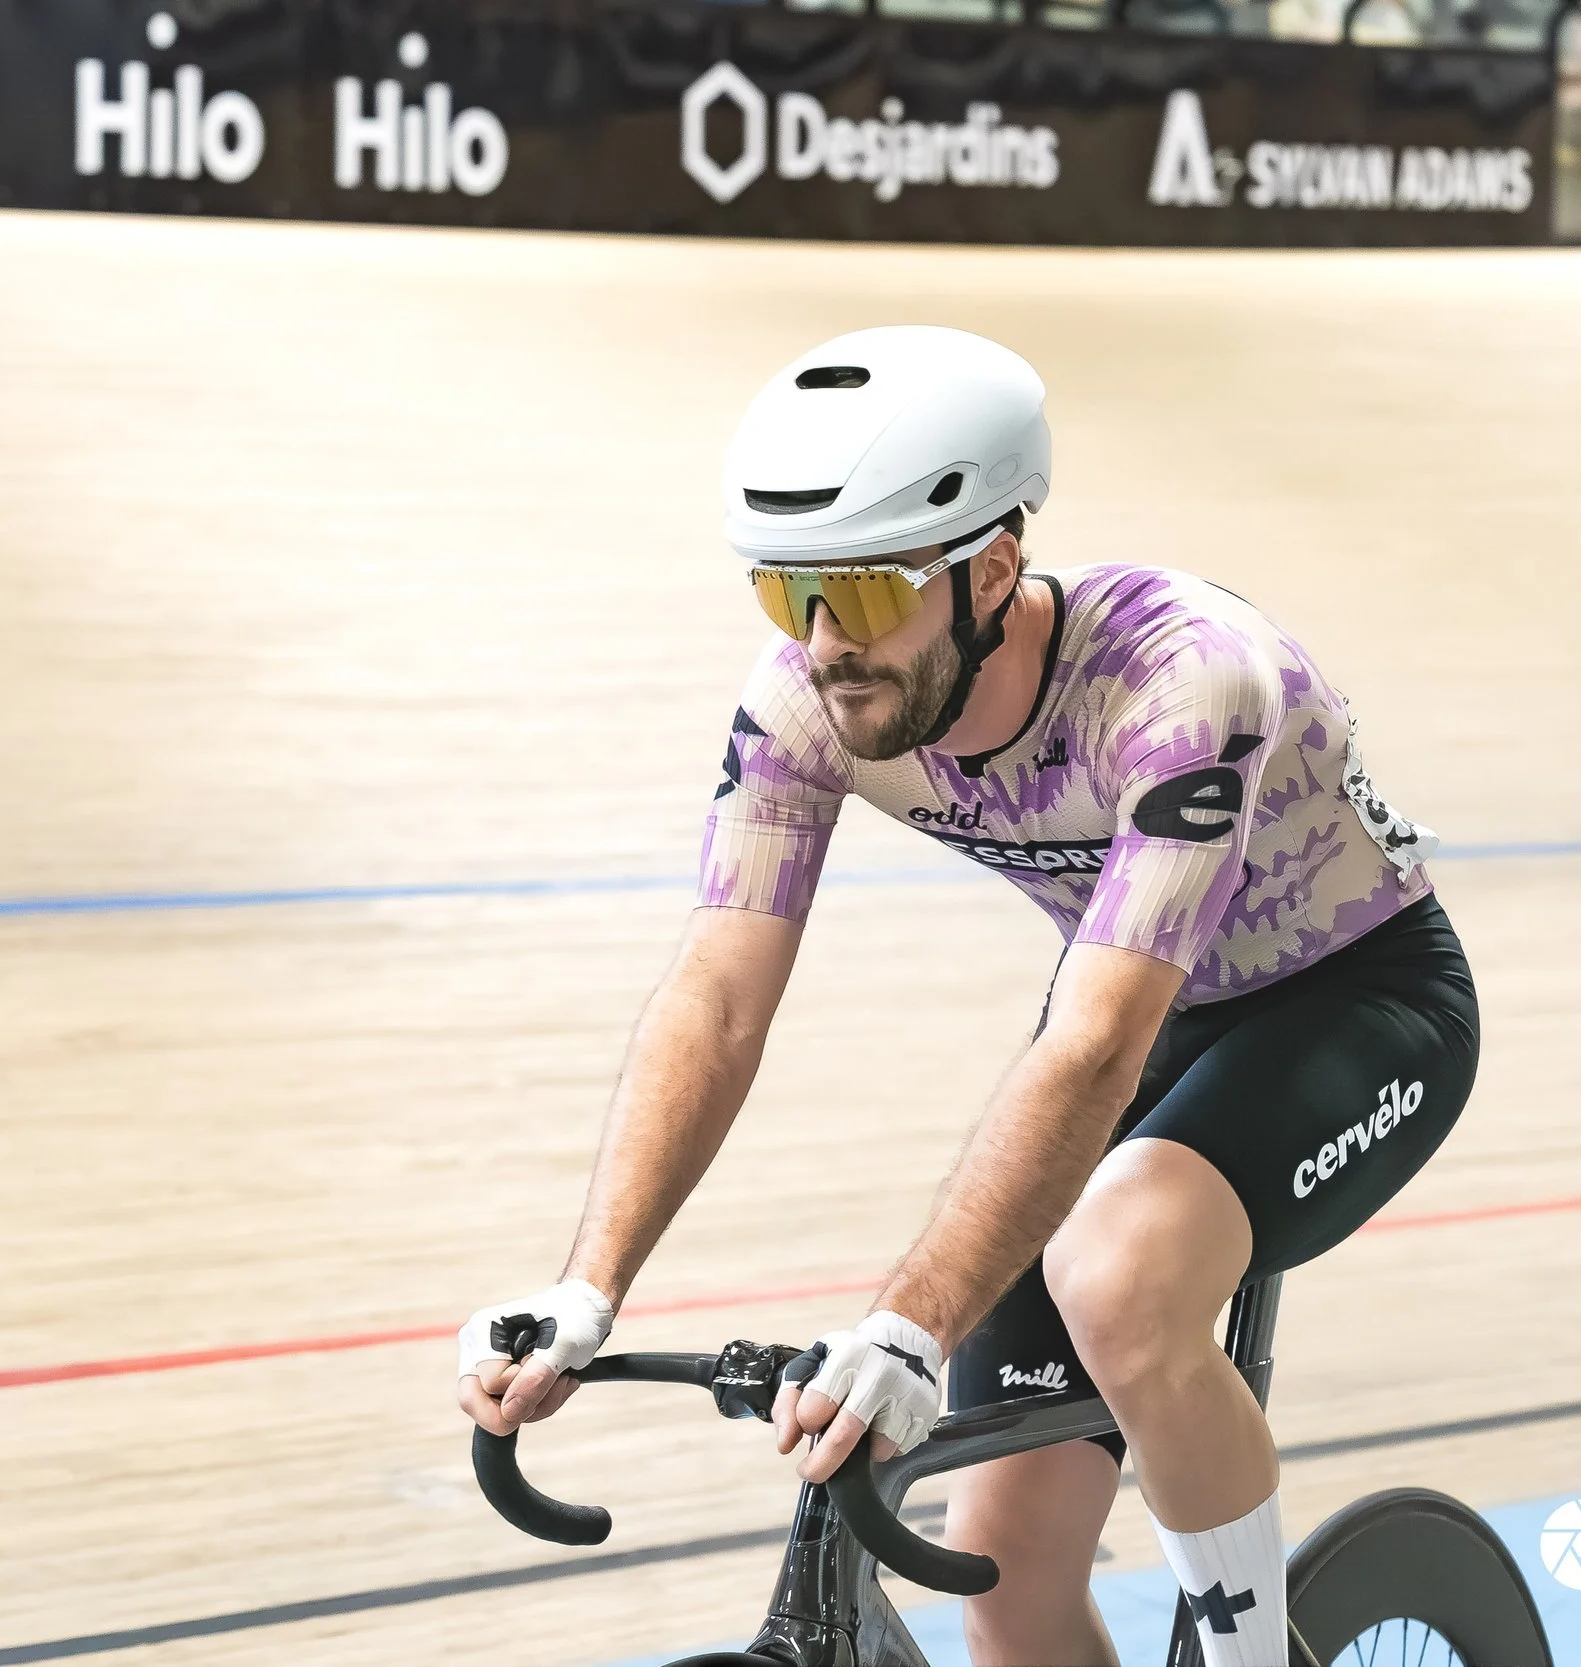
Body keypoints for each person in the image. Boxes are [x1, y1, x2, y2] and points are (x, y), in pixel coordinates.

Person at [455, 326, 1479, 1667]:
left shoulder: (1179, 682)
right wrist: (588, 1288)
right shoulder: (807, 704)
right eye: (786, 594)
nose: (827, 647)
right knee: (1003, 1580)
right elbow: (714, 998)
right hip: (1152, 1011)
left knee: (1118, 1276)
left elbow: (1096, 1044)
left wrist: (908, 1324)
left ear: (993, 568)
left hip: (1354, 1003)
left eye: (868, 599)